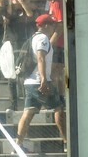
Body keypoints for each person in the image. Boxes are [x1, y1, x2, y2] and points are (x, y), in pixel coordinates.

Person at [16, 14, 66, 148]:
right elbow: (41, 58)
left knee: (28, 112)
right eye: (52, 25)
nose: (54, 28)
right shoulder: (43, 39)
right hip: (40, 81)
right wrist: (44, 78)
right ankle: (67, 141)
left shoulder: (32, 38)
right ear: (45, 26)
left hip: (29, 82)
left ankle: (18, 144)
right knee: (58, 108)